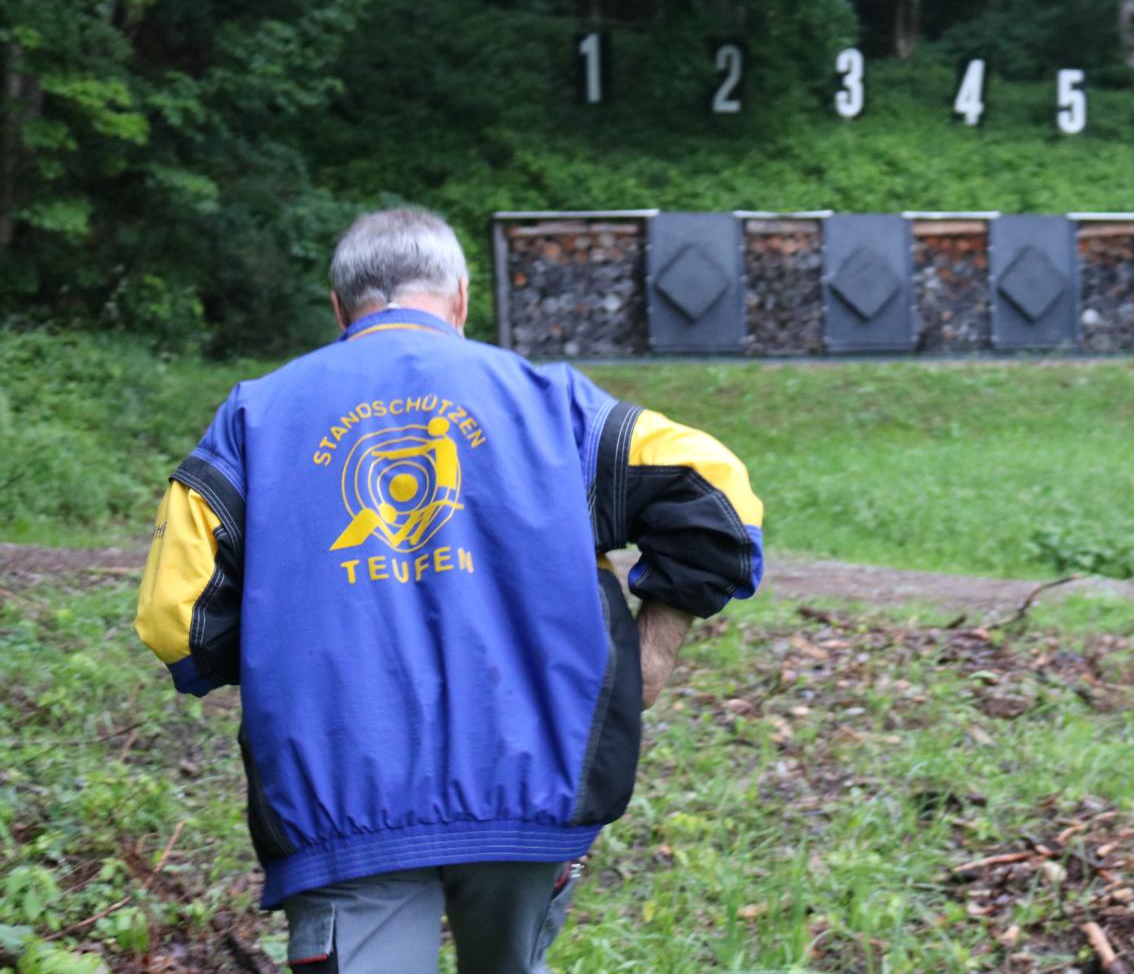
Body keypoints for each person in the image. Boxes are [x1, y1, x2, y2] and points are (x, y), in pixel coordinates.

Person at [132, 207, 764, 972]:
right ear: (460, 300)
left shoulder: (252, 419)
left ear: (339, 307)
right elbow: (717, 492)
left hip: (338, 800)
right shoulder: (554, 404)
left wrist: (287, 646)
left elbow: (178, 617)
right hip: (534, 785)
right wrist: (652, 651)